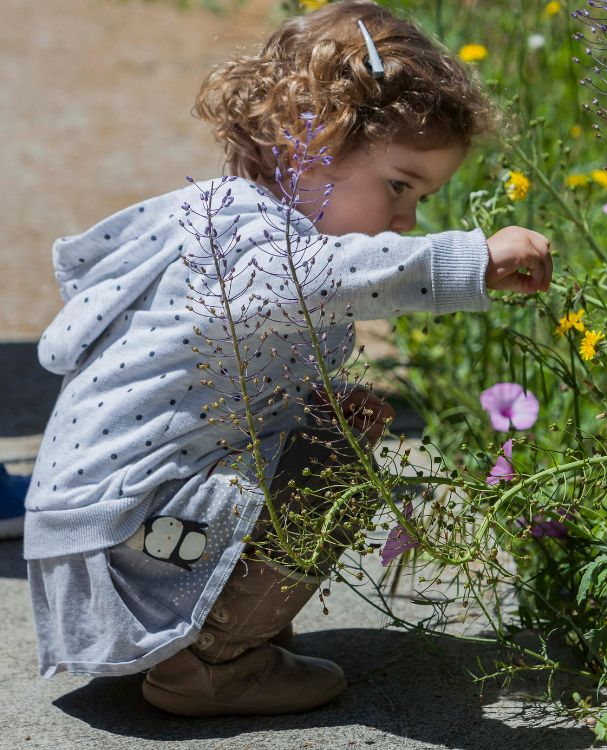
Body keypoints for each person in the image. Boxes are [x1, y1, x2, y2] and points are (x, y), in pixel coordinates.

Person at [23, 0, 552, 717]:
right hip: (128, 542)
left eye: (422, 200)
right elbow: (321, 278)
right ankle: (213, 662)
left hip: (114, 537)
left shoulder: (227, 219)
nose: (407, 221)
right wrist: (471, 260)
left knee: (326, 430)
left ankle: (205, 626)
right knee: (326, 466)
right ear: (312, 139)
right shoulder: (244, 236)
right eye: (400, 186)